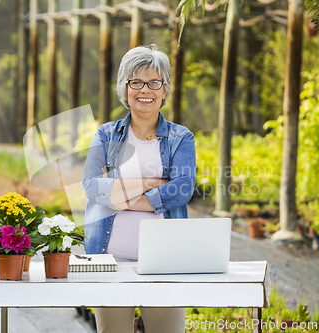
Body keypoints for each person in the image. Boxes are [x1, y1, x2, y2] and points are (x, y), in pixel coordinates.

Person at [83, 44, 196, 333]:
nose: (145, 90)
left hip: (164, 261)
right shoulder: (106, 134)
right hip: (107, 259)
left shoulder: (181, 138)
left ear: (165, 90)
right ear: (125, 88)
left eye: (154, 82)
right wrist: (151, 184)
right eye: (136, 82)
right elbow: (92, 186)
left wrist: (118, 196)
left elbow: (182, 188)